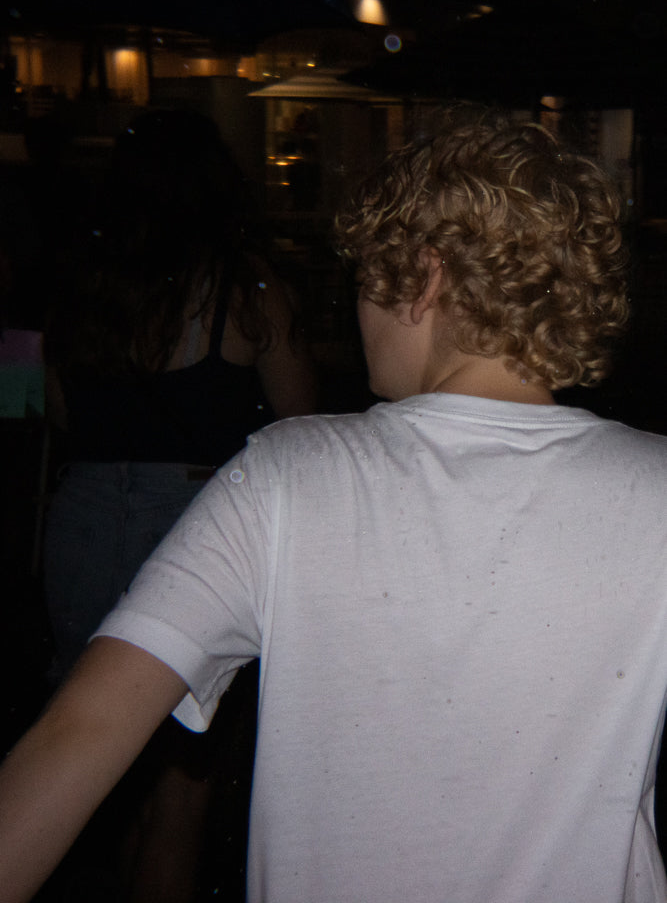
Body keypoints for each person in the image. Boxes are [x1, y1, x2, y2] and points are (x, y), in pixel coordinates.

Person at [2, 105, 667, 903]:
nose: (353, 315)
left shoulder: (286, 477)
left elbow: (82, 729)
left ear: (422, 280)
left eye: (364, 280)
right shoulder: (654, 486)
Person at [39, 109, 317, 900]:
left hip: (84, 511)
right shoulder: (247, 286)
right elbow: (299, 430)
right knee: (182, 783)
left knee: (90, 738)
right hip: (194, 521)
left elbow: (61, 412)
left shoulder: (85, 284)